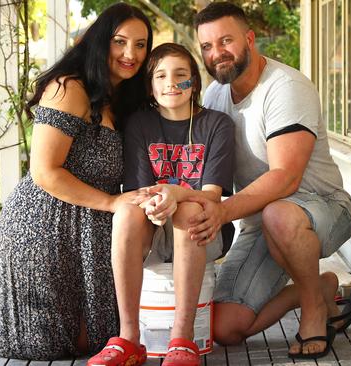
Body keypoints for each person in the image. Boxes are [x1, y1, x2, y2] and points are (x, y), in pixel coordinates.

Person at [0, 3, 153, 361]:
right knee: (44, 345)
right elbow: (46, 171)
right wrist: (112, 203)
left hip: (92, 233)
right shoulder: (69, 87)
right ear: (99, 41)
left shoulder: (125, 100)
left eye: (140, 45)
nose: (130, 54)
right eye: (120, 42)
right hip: (42, 222)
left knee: (96, 340)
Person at [186, 2, 351, 360]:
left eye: (226, 40)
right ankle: (319, 288)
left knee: (279, 214)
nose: (217, 53)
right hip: (259, 222)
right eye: (207, 46)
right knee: (225, 327)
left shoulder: (285, 87)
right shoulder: (214, 95)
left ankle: (314, 312)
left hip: (322, 207)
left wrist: (221, 214)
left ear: (250, 39)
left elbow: (285, 178)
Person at [87, 43, 234, 366]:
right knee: (126, 210)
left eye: (181, 75)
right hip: (153, 230)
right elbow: (140, 193)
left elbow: (211, 196)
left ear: (194, 82)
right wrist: (158, 203)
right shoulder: (140, 124)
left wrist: (175, 193)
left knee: (190, 209)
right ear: (151, 86)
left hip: (201, 231)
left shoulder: (217, 125)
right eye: (161, 76)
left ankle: (182, 339)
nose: (171, 83)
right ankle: (128, 339)